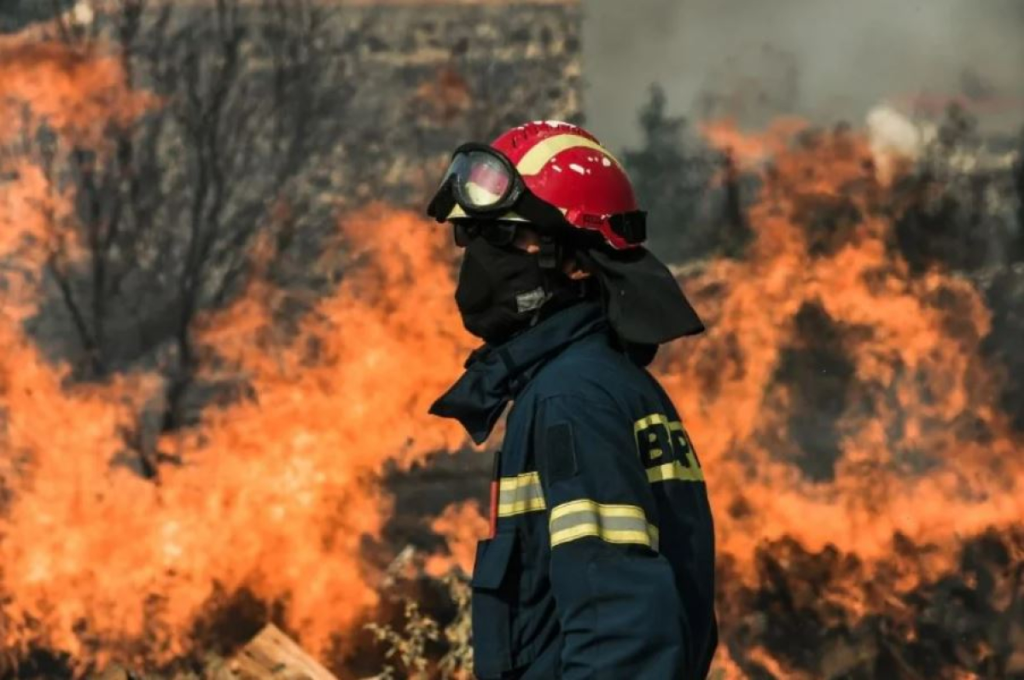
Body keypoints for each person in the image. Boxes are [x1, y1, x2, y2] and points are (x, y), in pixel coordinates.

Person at [427, 121, 718, 679]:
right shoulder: (602, 384)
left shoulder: (571, 398)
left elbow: (619, 630)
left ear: (580, 263)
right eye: (476, 236)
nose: (484, 255)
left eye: (508, 237)